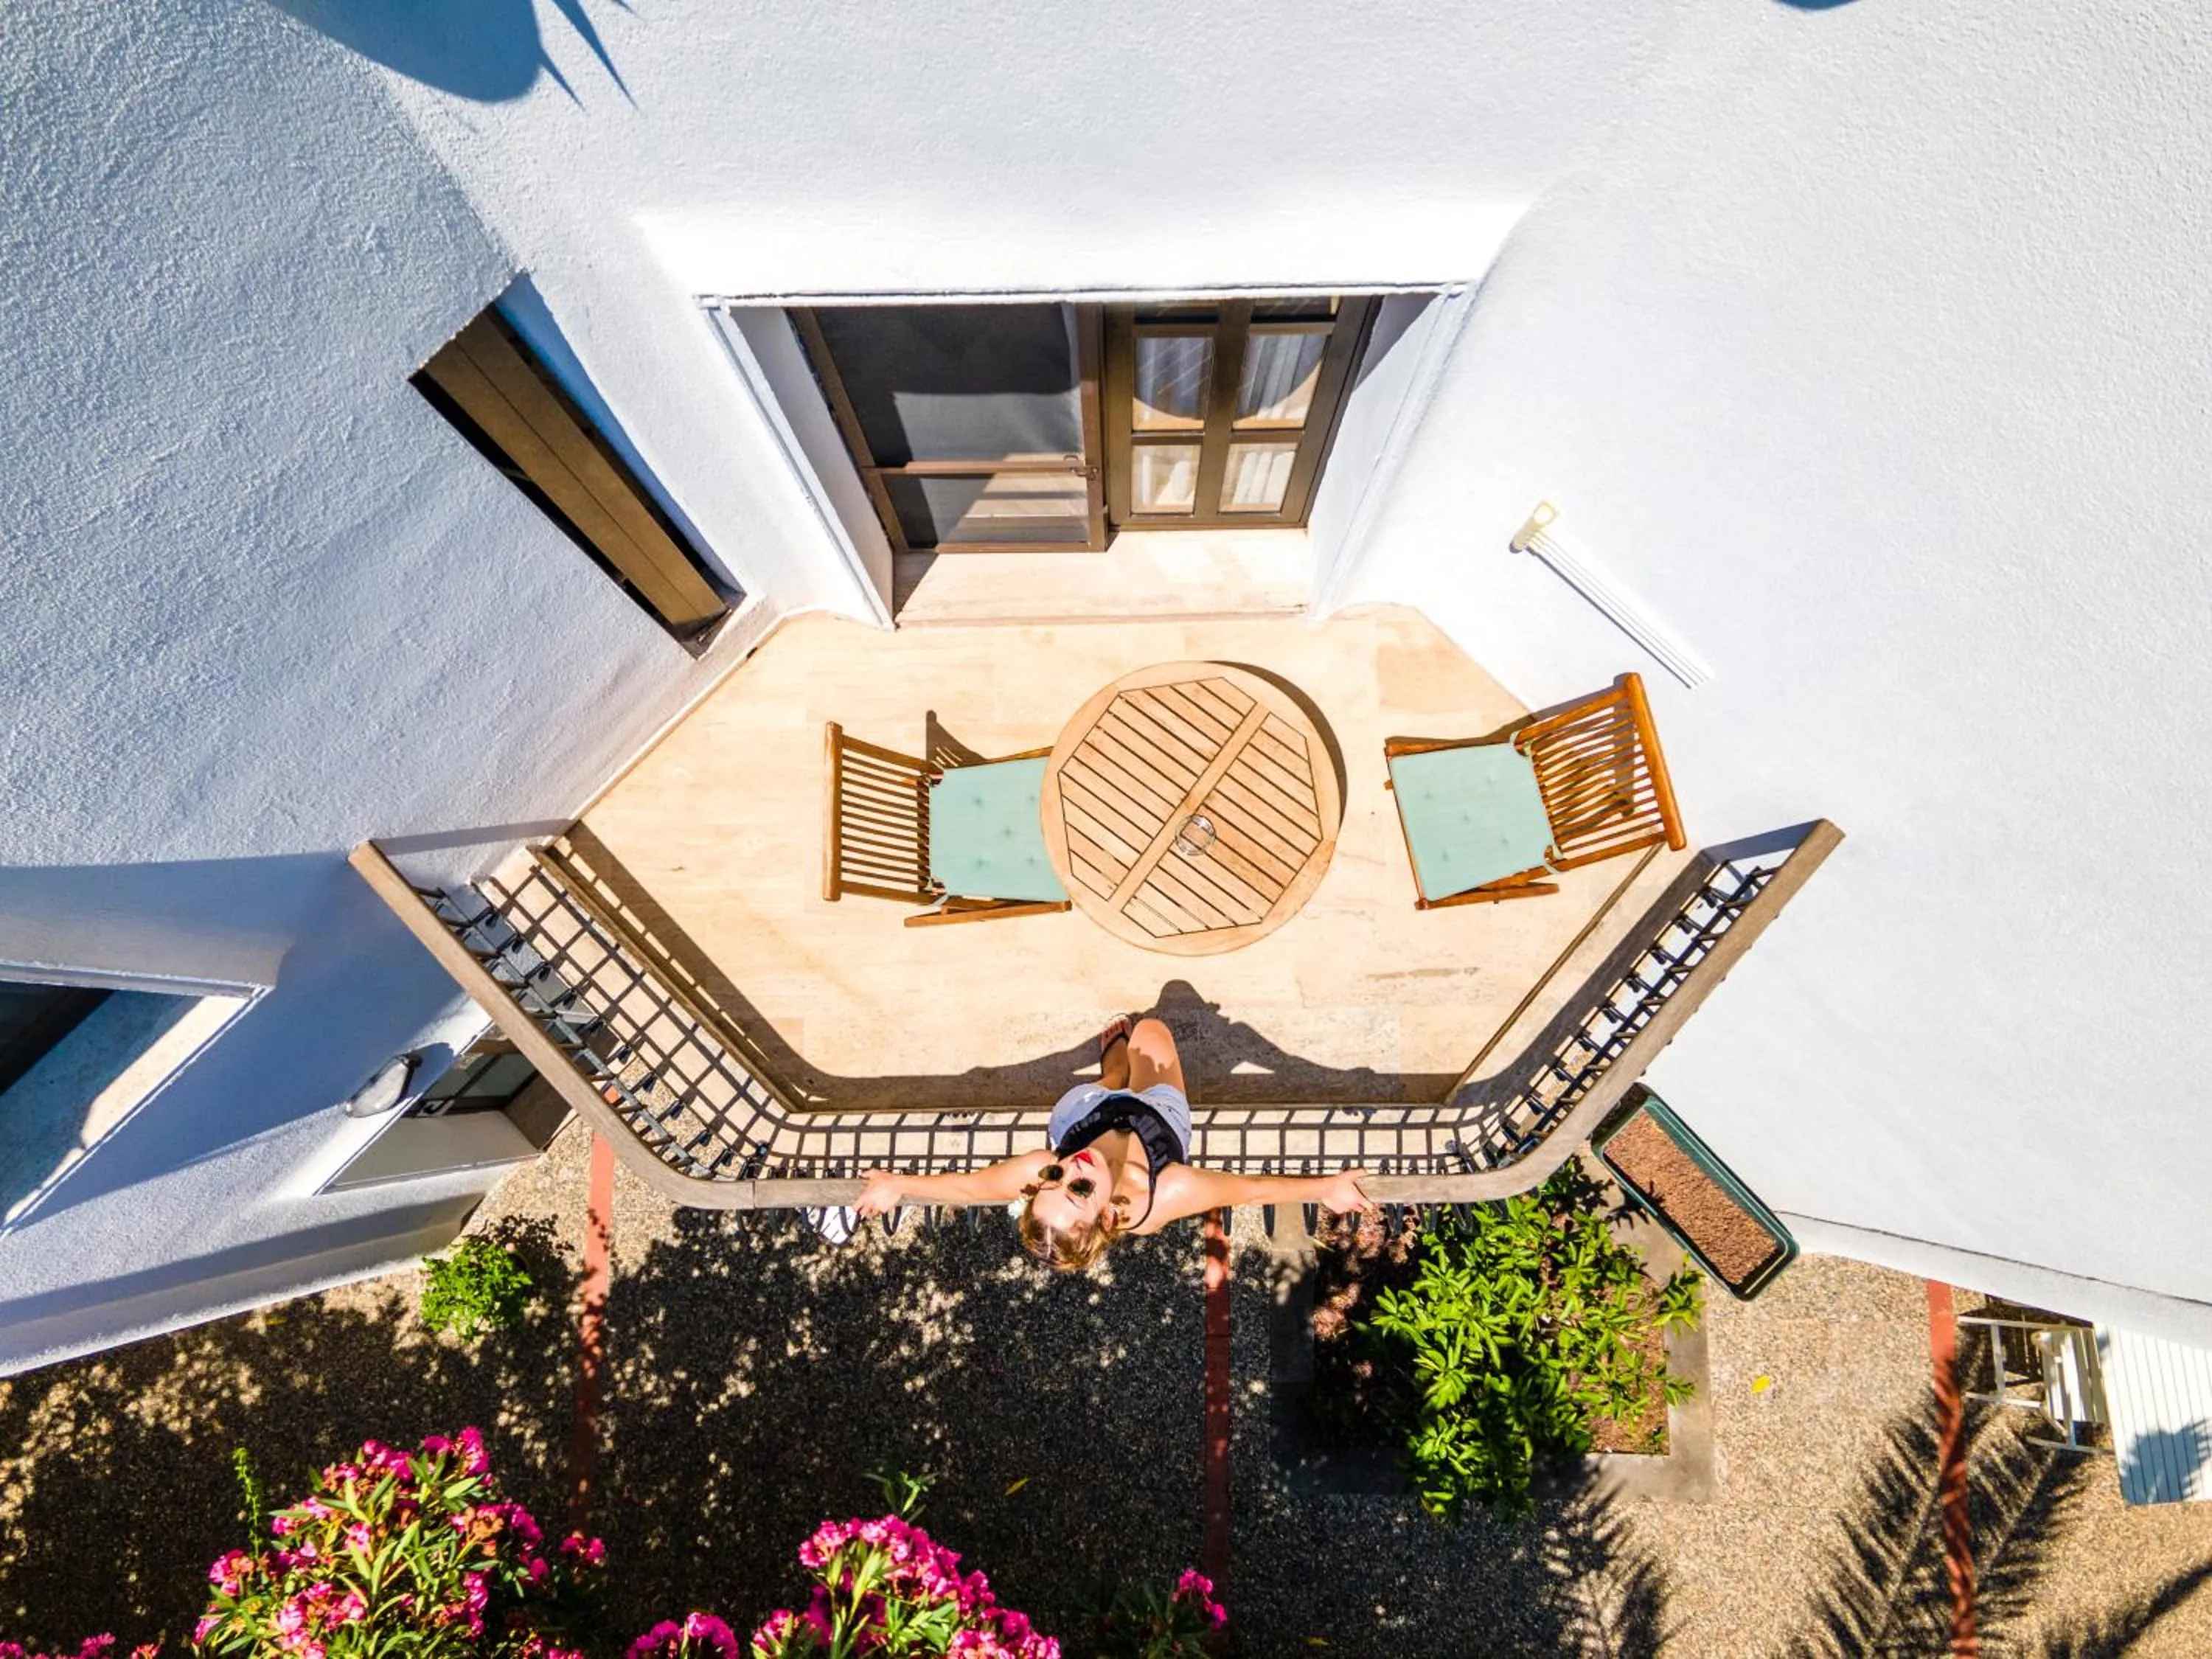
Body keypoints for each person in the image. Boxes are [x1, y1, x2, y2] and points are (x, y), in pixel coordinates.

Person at [854, 1016, 1371, 1271]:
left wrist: (898, 1183)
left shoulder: (1045, 1164)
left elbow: (971, 1190)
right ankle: (1127, 1066)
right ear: (1107, 1214)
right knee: (1152, 1030)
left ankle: (1113, 1071)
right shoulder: (1169, 1190)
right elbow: (1252, 1190)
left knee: (1108, 1084)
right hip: (1157, 1120)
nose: (1070, 1169)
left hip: (1089, 1113)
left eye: (1054, 1180)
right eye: (1079, 1189)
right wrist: (1325, 1188)